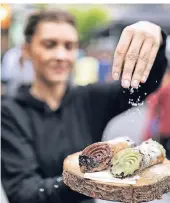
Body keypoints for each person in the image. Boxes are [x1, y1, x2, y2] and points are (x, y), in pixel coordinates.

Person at [1, 10, 167, 203]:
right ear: (27, 50)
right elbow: (23, 193)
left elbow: (143, 86)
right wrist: (88, 180)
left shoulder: (89, 98)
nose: (61, 55)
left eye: (69, 46)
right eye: (50, 45)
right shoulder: (10, 112)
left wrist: (156, 36)